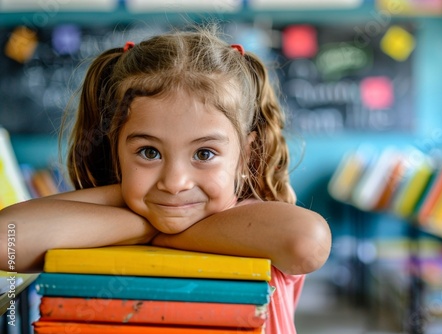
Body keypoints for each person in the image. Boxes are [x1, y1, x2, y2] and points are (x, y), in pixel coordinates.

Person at [0, 24, 331, 333]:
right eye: (149, 153)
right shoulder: (129, 212)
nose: (175, 182)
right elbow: (7, 241)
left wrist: (152, 224)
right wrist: (142, 213)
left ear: (245, 153)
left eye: (204, 154)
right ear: (115, 150)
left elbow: (308, 242)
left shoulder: (263, 228)